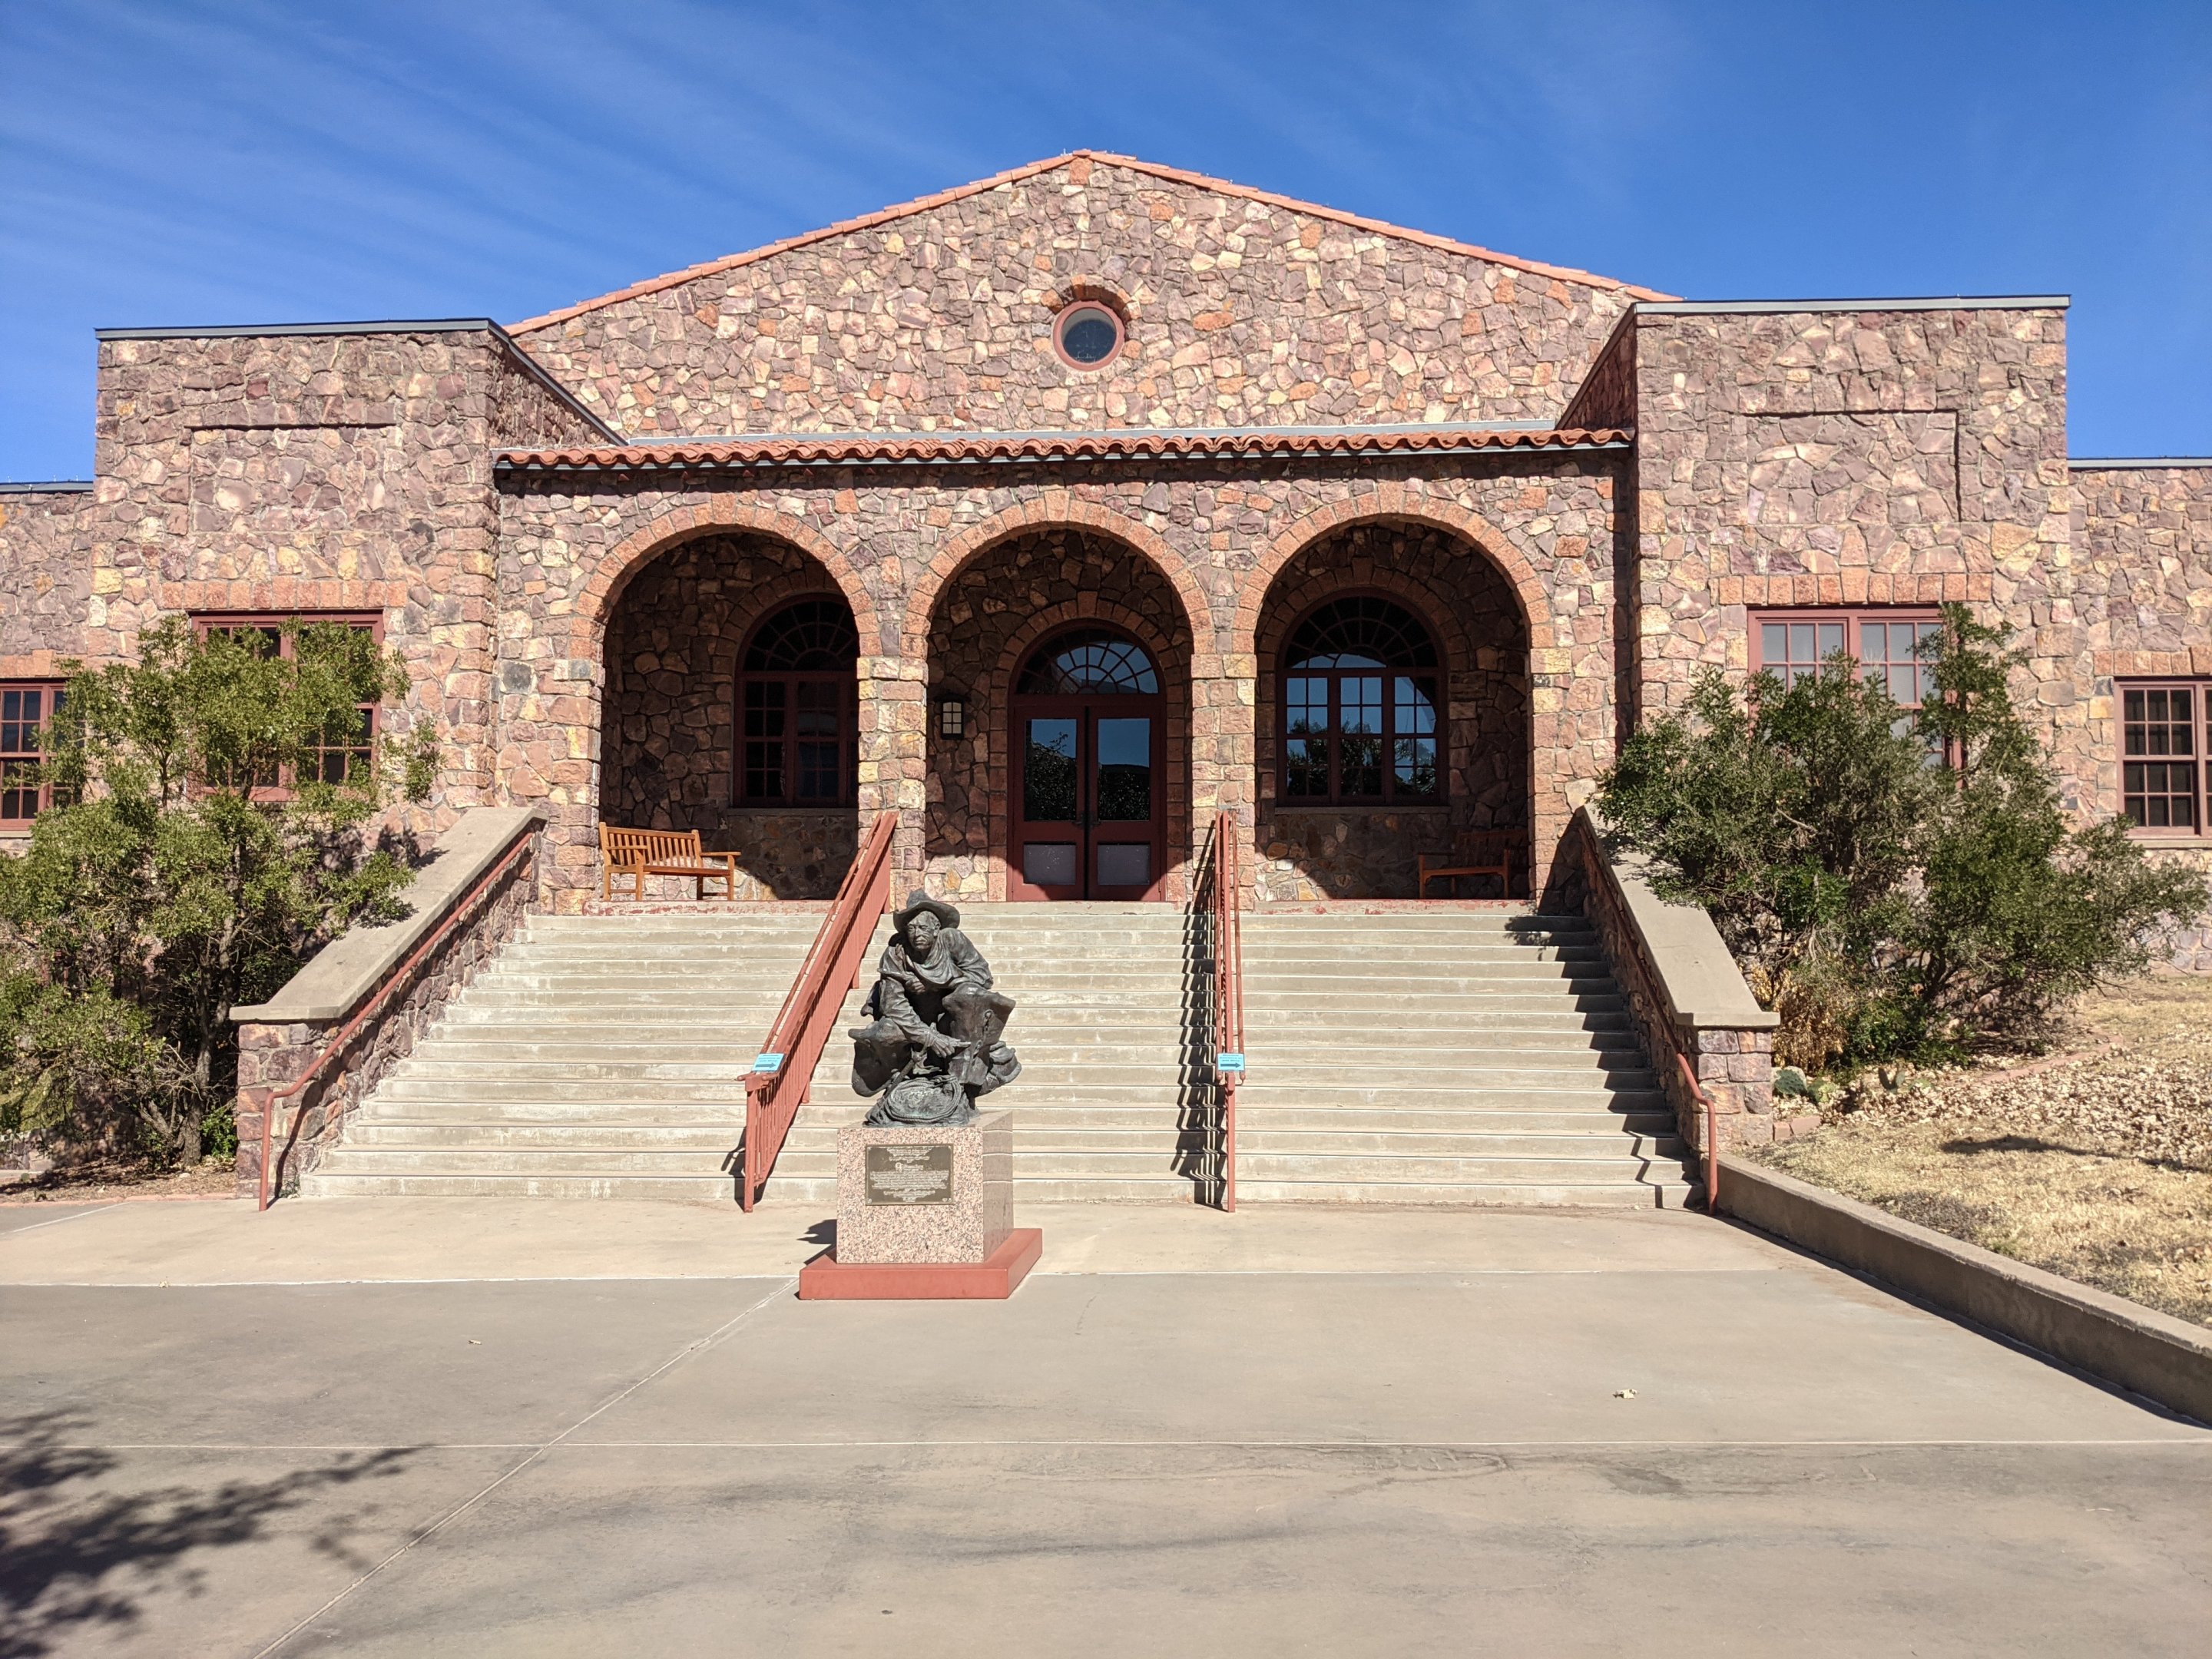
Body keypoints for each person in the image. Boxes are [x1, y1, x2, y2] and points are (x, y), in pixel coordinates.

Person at [849, 892, 1019, 1124]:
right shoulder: (896, 951)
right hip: (912, 1022)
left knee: (967, 996)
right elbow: (893, 1004)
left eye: (923, 928)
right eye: (911, 929)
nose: (917, 934)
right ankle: (896, 1087)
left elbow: (982, 977)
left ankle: (960, 1088)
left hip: (950, 1017)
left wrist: (935, 983)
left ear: (936, 928)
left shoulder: (952, 940)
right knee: (885, 1031)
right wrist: (930, 1037)